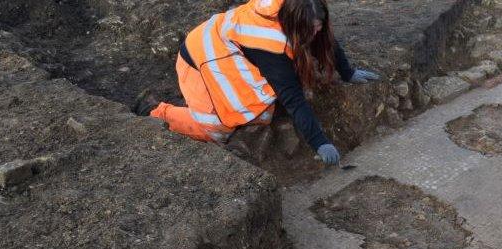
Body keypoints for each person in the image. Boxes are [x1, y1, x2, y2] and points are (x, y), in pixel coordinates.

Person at [136, 0, 379, 165]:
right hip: (202, 58)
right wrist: (320, 143)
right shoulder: (269, 44)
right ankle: (156, 110)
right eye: (311, 30)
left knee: (262, 114)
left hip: (230, 50)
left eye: (319, 27)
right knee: (216, 128)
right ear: (295, 24)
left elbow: (323, 40)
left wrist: (348, 72)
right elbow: (293, 97)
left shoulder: (301, 8)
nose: (316, 34)